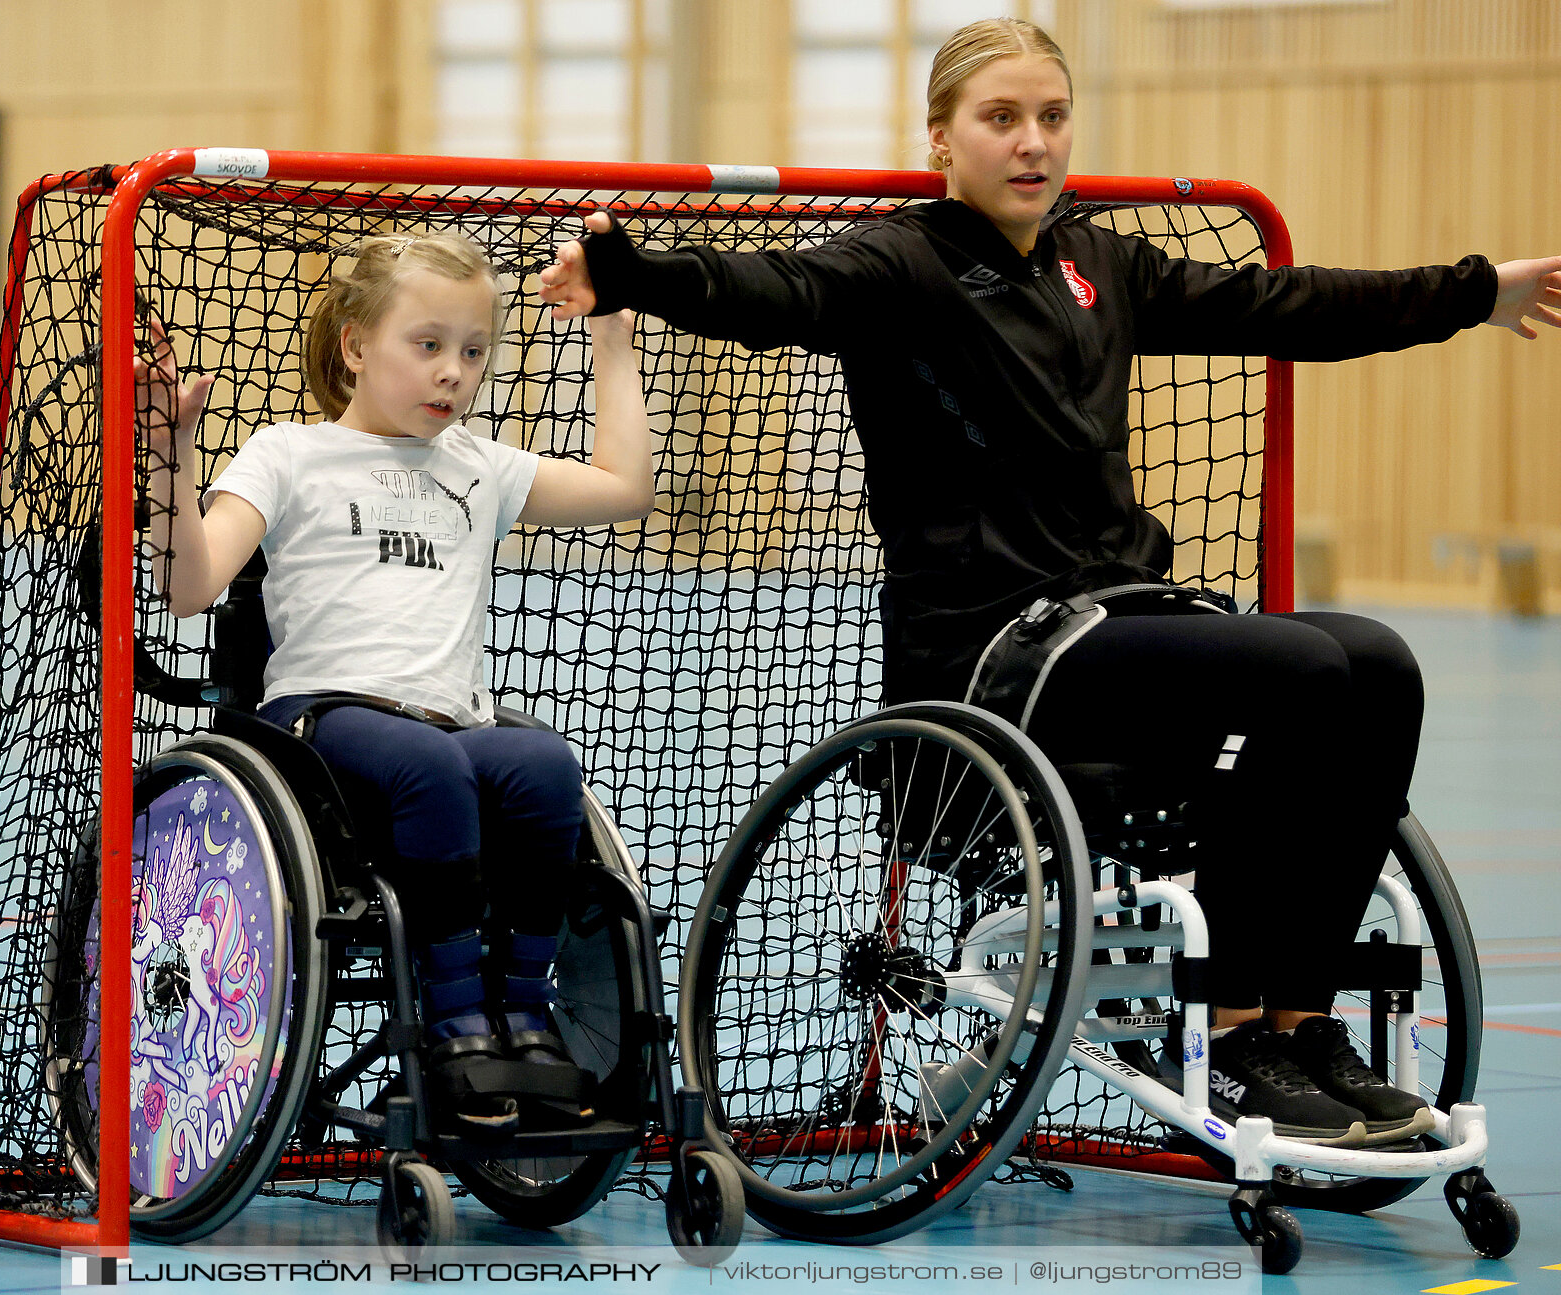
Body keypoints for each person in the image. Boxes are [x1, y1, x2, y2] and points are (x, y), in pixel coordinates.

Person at [539, 17, 1561, 1146]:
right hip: (998, 650)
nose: (1034, 143)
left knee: (1379, 662)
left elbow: (1289, 306)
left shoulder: (1099, 259)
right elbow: (771, 292)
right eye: (1001, 118)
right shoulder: (901, 263)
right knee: (1305, 669)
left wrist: (1475, 292)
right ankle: (1228, 1040)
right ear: (941, 139)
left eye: (1053, 117)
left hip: (1121, 616)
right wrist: (628, 271)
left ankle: (1300, 1024)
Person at [136, 231, 653, 1132]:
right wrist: (169, 454)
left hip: (449, 728)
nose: (453, 372)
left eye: (474, 351)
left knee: (542, 765)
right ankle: (451, 1026)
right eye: (428, 345)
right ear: (355, 345)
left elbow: (624, 487)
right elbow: (189, 586)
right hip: (321, 726)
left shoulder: (480, 467)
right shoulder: (287, 454)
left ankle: (522, 1021)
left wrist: (610, 335)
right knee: (432, 767)